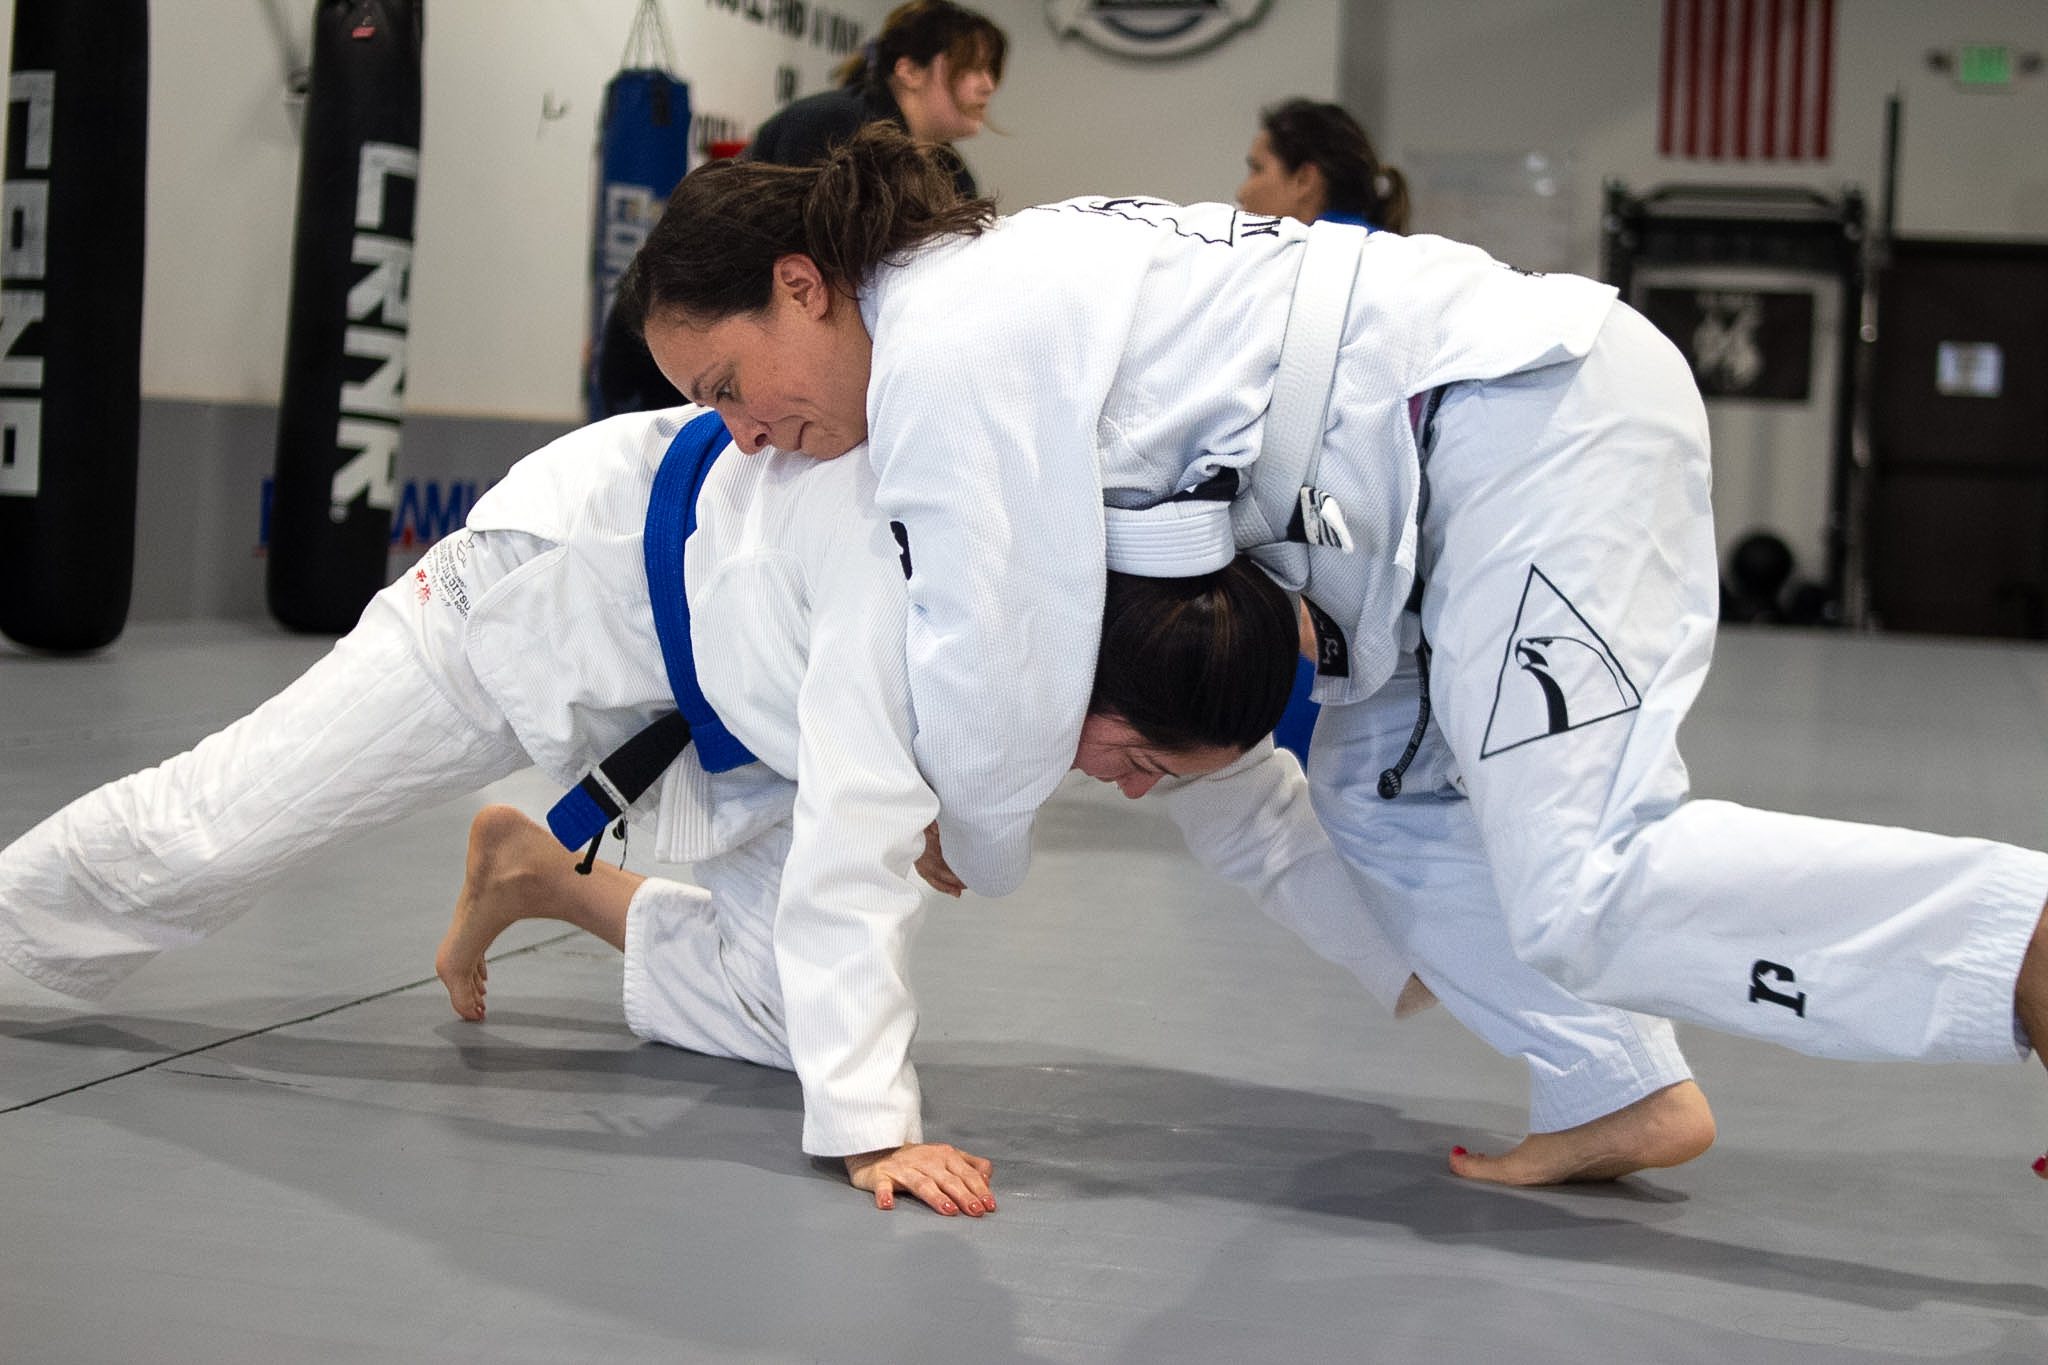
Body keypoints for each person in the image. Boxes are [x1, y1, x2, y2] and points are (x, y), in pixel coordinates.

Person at [617, 125, 2048, 1178]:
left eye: (727, 386)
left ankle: (2027, 951)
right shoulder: (981, 294)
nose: (739, 434)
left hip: (1520, 423)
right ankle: (1614, 1079)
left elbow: (1006, 665)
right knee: (1377, 804)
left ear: (802, 287)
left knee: (1584, 877)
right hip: (1432, 503)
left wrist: (966, 835)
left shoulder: (944, 338)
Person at [749, 0, 1004, 197]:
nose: (989, 85)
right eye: (972, 68)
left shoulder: (953, 172)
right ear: (910, 71)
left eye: (990, 70)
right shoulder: (832, 126)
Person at [1235, 97, 1409, 232]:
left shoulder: (1298, 264)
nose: (1241, 194)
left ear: (1304, 179)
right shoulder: (1389, 253)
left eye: (1257, 169)